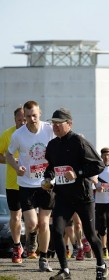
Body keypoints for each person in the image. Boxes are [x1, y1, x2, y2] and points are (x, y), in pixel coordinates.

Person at [42, 108, 108, 280]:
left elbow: (98, 165)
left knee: (91, 234)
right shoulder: (52, 145)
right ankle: (65, 270)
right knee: (56, 230)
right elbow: (50, 167)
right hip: (63, 196)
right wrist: (47, 179)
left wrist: (77, 173)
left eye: (59, 123)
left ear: (69, 124)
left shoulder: (79, 141)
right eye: (53, 123)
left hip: (83, 197)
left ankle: (101, 265)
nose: (55, 126)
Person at [6, 100, 55, 271]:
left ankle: (43, 257)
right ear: (24, 117)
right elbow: (9, 154)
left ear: (39, 113)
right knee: (32, 224)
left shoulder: (49, 129)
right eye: (28, 116)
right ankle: (31, 237)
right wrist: (15, 166)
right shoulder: (18, 135)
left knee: (44, 223)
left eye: (34, 115)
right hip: (26, 183)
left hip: (47, 182)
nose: (32, 119)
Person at [0, 107, 26, 263]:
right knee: (15, 217)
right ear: (14, 119)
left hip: (32, 183)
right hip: (13, 183)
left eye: (25, 120)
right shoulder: (7, 135)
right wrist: (10, 161)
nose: (23, 123)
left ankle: (32, 240)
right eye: (19, 120)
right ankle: (17, 247)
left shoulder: (34, 134)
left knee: (33, 220)